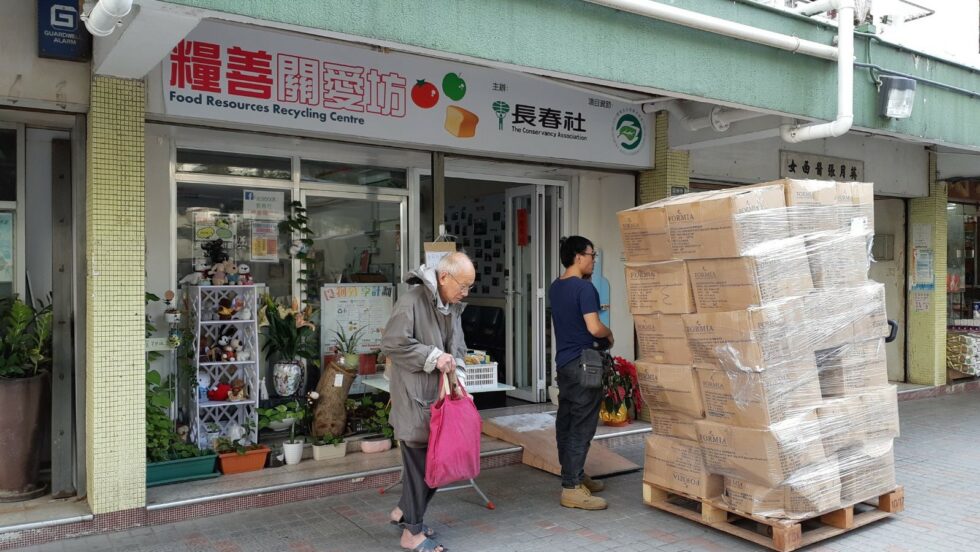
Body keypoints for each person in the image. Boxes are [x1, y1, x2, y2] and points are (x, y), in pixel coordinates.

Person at [381, 251, 475, 552]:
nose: (466, 292)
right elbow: (393, 343)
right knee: (425, 465)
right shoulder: (412, 301)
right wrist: (434, 358)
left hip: (436, 399)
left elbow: (457, 347)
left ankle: (404, 513)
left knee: (435, 462)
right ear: (444, 277)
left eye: (470, 286)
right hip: (414, 397)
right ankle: (412, 533)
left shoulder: (451, 305)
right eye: (463, 285)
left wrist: (459, 379)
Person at [549, 236, 614, 510]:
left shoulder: (556, 286)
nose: (593, 260)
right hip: (584, 364)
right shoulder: (585, 289)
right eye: (591, 255)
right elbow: (593, 327)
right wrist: (608, 333)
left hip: (564, 363)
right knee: (582, 425)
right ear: (578, 256)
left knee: (566, 420)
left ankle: (574, 474)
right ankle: (572, 488)